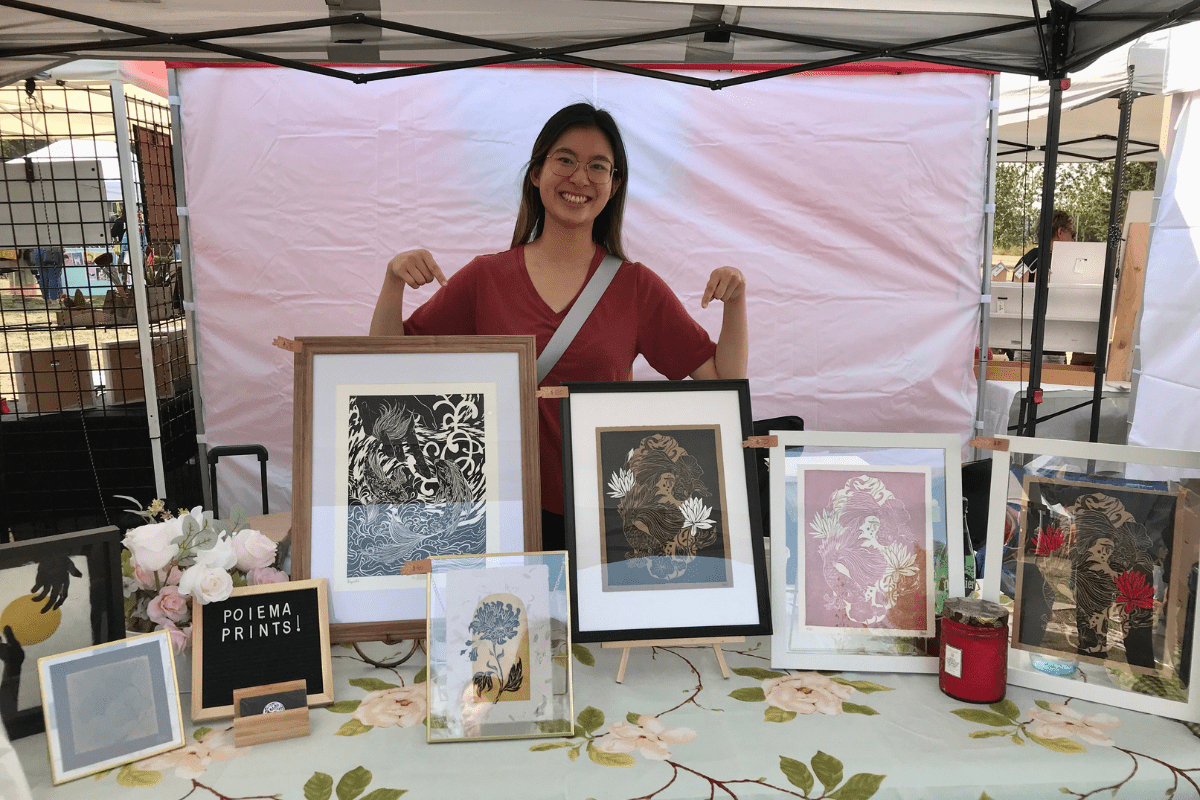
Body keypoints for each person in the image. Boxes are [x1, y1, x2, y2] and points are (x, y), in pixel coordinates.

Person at [370, 103, 748, 550]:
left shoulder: (636, 288)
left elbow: (725, 386)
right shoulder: (485, 278)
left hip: (605, 519)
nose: (580, 178)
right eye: (565, 159)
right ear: (536, 172)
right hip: (495, 511)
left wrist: (737, 301)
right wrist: (393, 280)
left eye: (598, 167)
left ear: (614, 185)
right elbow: (383, 367)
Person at [1014, 209, 1075, 281]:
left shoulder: (1028, 260)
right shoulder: (1063, 264)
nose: (1073, 240)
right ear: (1060, 232)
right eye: (1072, 235)